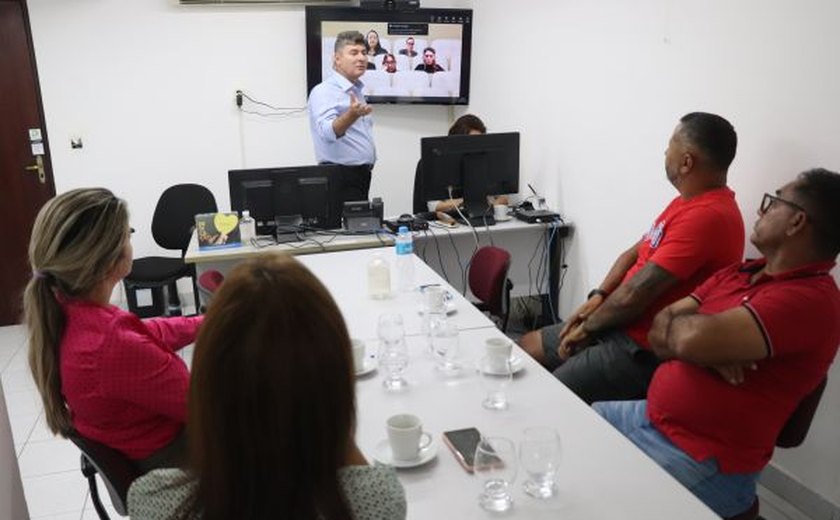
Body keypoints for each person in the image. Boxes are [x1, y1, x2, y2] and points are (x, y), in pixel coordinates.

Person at [594, 169, 840, 517]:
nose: (760, 210)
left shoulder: (809, 300)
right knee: (568, 434)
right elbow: (659, 327)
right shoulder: (739, 272)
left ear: (797, 221)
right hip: (650, 417)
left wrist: (696, 339)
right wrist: (707, 350)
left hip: (703, 458)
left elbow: (687, 334)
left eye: (773, 202)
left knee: (593, 502)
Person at [127, 254, 407, 520]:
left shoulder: (153, 500)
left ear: (206, 384)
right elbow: (355, 473)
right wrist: (337, 430)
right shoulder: (379, 500)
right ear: (336, 386)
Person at [519, 112, 745, 404]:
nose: (665, 152)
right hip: (615, 322)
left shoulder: (709, 216)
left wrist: (588, 328)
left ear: (687, 162)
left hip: (640, 347)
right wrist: (598, 296)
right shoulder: (685, 202)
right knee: (525, 348)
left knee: (550, 396)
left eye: (670, 144)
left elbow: (636, 293)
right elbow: (633, 254)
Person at [23, 188, 201, 471]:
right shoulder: (110, 345)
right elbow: (207, 407)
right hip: (179, 464)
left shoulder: (69, 314)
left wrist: (205, 323)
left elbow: (144, 333)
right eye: (128, 234)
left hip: (144, 451)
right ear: (110, 256)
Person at [308, 30, 376, 204]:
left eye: (363, 52)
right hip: (339, 178)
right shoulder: (324, 91)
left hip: (359, 176)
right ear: (337, 59)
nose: (361, 58)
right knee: (343, 231)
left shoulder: (356, 91)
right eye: (353, 53)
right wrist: (352, 115)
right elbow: (327, 132)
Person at [412, 114, 509, 215]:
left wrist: (491, 205)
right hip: (446, 225)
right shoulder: (436, 164)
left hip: (481, 221)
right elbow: (436, 207)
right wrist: (468, 202)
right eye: (471, 143)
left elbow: (503, 199)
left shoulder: (484, 163)